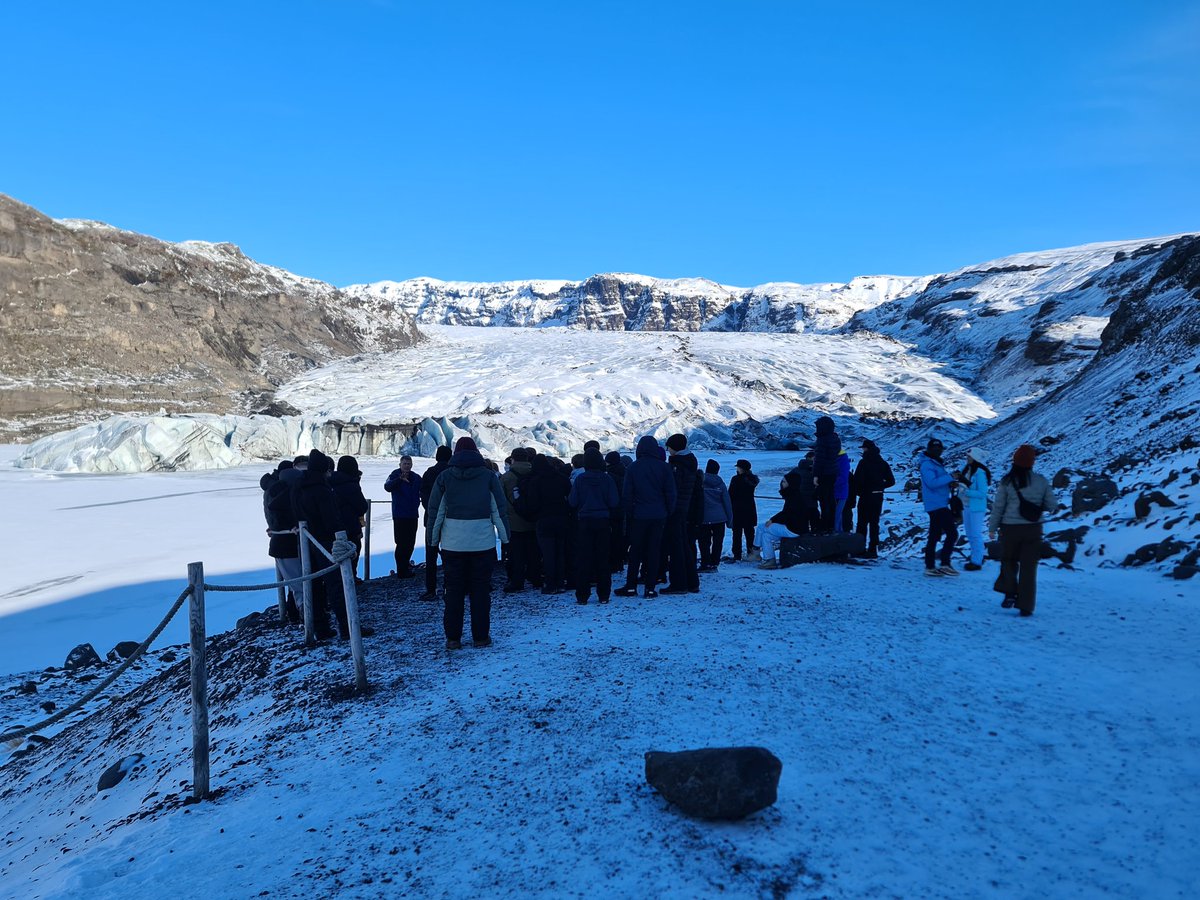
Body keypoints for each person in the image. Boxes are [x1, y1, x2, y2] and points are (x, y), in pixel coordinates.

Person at [426, 436, 509, 648]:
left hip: (453, 545)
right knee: (480, 590)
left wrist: (433, 541)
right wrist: (505, 538)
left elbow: (436, 513)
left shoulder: (444, 477)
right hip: (482, 544)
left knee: (453, 590)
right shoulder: (488, 477)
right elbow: (498, 510)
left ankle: (453, 638)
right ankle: (480, 636)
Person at [989, 444, 1059, 617]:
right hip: (1033, 529)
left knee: (1008, 561)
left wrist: (992, 527)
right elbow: (1052, 506)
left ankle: (1010, 592)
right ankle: (1026, 606)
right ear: (1032, 462)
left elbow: (999, 507)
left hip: (1010, 528)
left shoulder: (1007, 481)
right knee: (1029, 567)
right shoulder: (1041, 481)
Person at [291, 449, 348, 640]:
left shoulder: (299, 487)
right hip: (325, 541)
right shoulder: (322, 490)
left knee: (313, 585)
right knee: (336, 585)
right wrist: (341, 538)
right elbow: (331, 519)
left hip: (307, 541)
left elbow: (297, 513)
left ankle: (320, 628)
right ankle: (347, 627)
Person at [615, 435, 676, 598]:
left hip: (639, 515)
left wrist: (630, 512)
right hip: (659, 515)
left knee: (636, 551)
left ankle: (630, 586)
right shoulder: (664, 467)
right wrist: (668, 511)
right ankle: (650, 588)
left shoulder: (633, 468)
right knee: (654, 550)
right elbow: (670, 493)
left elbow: (627, 494)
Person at [568, 447, 620, 604]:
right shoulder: (607, 479)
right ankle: (604, 594)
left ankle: (582, 595)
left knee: (584, 559)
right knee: (603, 559)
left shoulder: (580, 479)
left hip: (584, 522)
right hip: (603, 522)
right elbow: (614, 501)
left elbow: (572, 501)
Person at [261, 460, 302, 624]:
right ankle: (304, 617)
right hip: (288, 540)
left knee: (293, 582)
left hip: (279, 539)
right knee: (298, 583)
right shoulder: (282, 490)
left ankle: (292, 614)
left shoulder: (271, 489)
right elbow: (281, 513)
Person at [747, 465, 810, 569]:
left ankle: (756, 553)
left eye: (784, 482)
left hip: (793, 529)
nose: (782, 483)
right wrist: (773, 520)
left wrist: (773, 520)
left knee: (762, 528)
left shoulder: (793, 497)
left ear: (791, 484)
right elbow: (786, 513)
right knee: (766, 536)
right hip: (797, 528)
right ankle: (769, 560)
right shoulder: (796, 494)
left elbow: (787, 514)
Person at [499, 447, 542, 592]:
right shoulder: (536, 473)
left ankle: (517, 581)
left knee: (516, 554)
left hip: (514, 522)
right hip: (535, 519)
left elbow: (501, 500)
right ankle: (536, 578)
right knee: (534, 552)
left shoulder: (506, 477)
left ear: (513, 458)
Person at [661, 433, 699, 595]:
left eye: (669, 447)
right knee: (684, 546)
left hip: (675, 510)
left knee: (676, 548)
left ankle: (679, 584)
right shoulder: (689, 462)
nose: (668, 450)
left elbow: (672, 490)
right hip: (684, 509)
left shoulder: (678, 465)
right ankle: (691, 582)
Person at [529, 453, 572, 594]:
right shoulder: (562, 478)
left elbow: (533, 503)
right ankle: (560, 582)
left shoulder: (536, 481)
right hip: (561, 518)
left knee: (548, 553)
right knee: (560, 551)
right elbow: (569, 497)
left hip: (544, 519)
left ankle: (550, 583)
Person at [418, 445, 453, 601]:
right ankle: (449, 586)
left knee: (431, 553)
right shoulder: (453, 473)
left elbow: (424, 495)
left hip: (431, 518)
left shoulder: (429, 473)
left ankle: (431, 589)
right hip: (451, 519)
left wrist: (433, 511)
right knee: (451, 554)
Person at [920, 438, 959, 576]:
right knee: (952, 533)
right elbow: (932, 483)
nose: (938, 452)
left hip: (937, 503)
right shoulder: (927, 464)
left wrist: (949, 484)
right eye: (936, 450)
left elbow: (935, 483)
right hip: (937, 504)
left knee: (935, 535)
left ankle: (930, 566)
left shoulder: (933, 463)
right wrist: (950, 477)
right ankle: (944, 563)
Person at [854, 439, 895, 558]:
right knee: (874, 523)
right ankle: (873, 549)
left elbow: (857, 480)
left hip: (865, 496)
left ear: (866, 449)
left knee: (862, 523)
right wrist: (880, 486)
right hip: (877, 496)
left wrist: (860, 492)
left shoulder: (863, 462)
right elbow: (891, 481)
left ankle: (860, 549)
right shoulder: (882, 463)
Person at [330, 455, 369, 576]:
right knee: (352, 552)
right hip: (351, 525)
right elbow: (362, 506)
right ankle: (350, 581)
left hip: (334, 526)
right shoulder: (350, 484)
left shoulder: (330, 481)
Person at [384, 455, 422, 578]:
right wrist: (399, 479)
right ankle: (401, 569)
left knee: (410, 542)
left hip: (412, 514)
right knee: (401, 543)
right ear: (400, 464)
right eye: (405, 463)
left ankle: (405, 565)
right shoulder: (394, 475)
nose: (407, 466)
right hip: (400, 515)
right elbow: (387, 487)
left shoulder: (416, 477)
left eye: (409, 463)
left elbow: (423, 489)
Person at [957, 448, 991, 571]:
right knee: (970, 534)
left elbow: (982, 493)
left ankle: (977, 561)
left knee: (975, 534)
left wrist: (967, 492)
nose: (967, 458)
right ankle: (976, 556)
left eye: (970, 456)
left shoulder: (980, 473)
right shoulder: (968, 470)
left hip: (976, 507)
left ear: (975, 458)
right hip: (967, 506)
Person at [698, 460, 733, 571]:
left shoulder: (700, 482)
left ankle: (705, 563)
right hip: (720, 517)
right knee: (718, 542)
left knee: (704, 542)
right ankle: (715, 563)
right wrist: (730, 520)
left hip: (704, 517)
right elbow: (727, 502)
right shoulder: (721, 484)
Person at [813, 416, 842, 532]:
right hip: (833, 472)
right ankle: (832, 524)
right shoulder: (836, 439)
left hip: (824, 474)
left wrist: (815, 475)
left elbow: (819, 460)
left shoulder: (822, 440)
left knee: (824, 501)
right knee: (831, 500)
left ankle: (825, 526)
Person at [727, 459, 759, 561]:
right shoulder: (752, 480)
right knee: (750, 532)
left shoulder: (736, 479)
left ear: (742, 468)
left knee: (737, 533)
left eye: (738, 467)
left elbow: (730, 494)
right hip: (749, 508)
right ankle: (751, 553)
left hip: (737, 508)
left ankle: (737, 555)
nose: (737, 469)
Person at [604, 451, 627, 573]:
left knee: (611, 539)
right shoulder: (625, 471)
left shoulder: (609, 475)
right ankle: (619, 562)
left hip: (612, 510)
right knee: (619, 537)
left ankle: (613, 563)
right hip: (623, 509)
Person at [833, 448, 852, 534]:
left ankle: (838, 534)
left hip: (840, 492)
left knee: (837, 515)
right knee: (837, 515)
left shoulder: (843, 460)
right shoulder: (836, 458)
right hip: (836, 491)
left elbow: (843, 477)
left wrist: (831, 483)